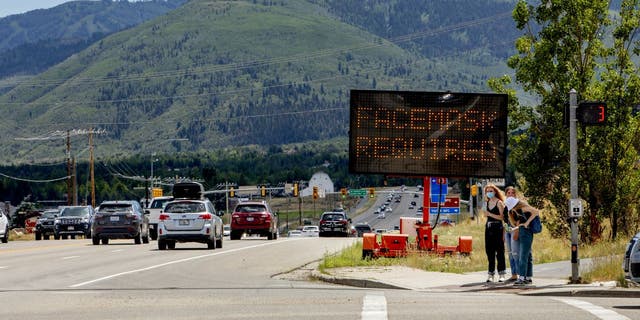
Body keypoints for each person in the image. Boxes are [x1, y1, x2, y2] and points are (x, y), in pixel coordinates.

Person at [505, 195, 541, 286]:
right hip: (522, 232)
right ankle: (528, 277)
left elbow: (536, 212)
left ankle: (521, 278)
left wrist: (527, 222)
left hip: (527, 232)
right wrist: (513, 229)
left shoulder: (523, 208)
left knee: (523, 255)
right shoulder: (515, 210)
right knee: (527, 255)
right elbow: (519, 224)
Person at [483, 184, 506, 282]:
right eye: (487, 191)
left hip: (498, 227)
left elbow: (502, 217)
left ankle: (501, 274)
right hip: (489, 228)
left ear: (495, 191)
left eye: (491, 191)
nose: (489, 193)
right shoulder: (487, 203)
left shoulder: (499, 202)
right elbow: (486, 215)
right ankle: (491, 274)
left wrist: (490, 214)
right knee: (489, 251)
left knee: (500, 251)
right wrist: (486, 214)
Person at [504, 186, 519, 281]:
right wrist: (504, 233)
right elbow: (504, 220)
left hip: (514, 230)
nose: (510, 194)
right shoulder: (505, 206)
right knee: (509, 253)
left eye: (512, 193)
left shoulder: (517, 205)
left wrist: (516, 231)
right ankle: (514, 274)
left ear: (515, 194)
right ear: (506, 195)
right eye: (508, 193)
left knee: (515, 253)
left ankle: (520, 274)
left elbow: (519, 220)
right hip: (507, 230)